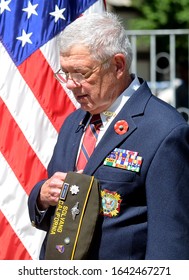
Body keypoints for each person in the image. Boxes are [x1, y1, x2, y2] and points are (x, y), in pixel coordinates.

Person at [28, 12, 189, 260]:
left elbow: (171, 243)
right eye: (66, 73)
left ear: (117, 65)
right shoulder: (74, 122)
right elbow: (60, 215)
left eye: (81, 73)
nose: (70, 84)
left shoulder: (164, 130)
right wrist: (42, 196)